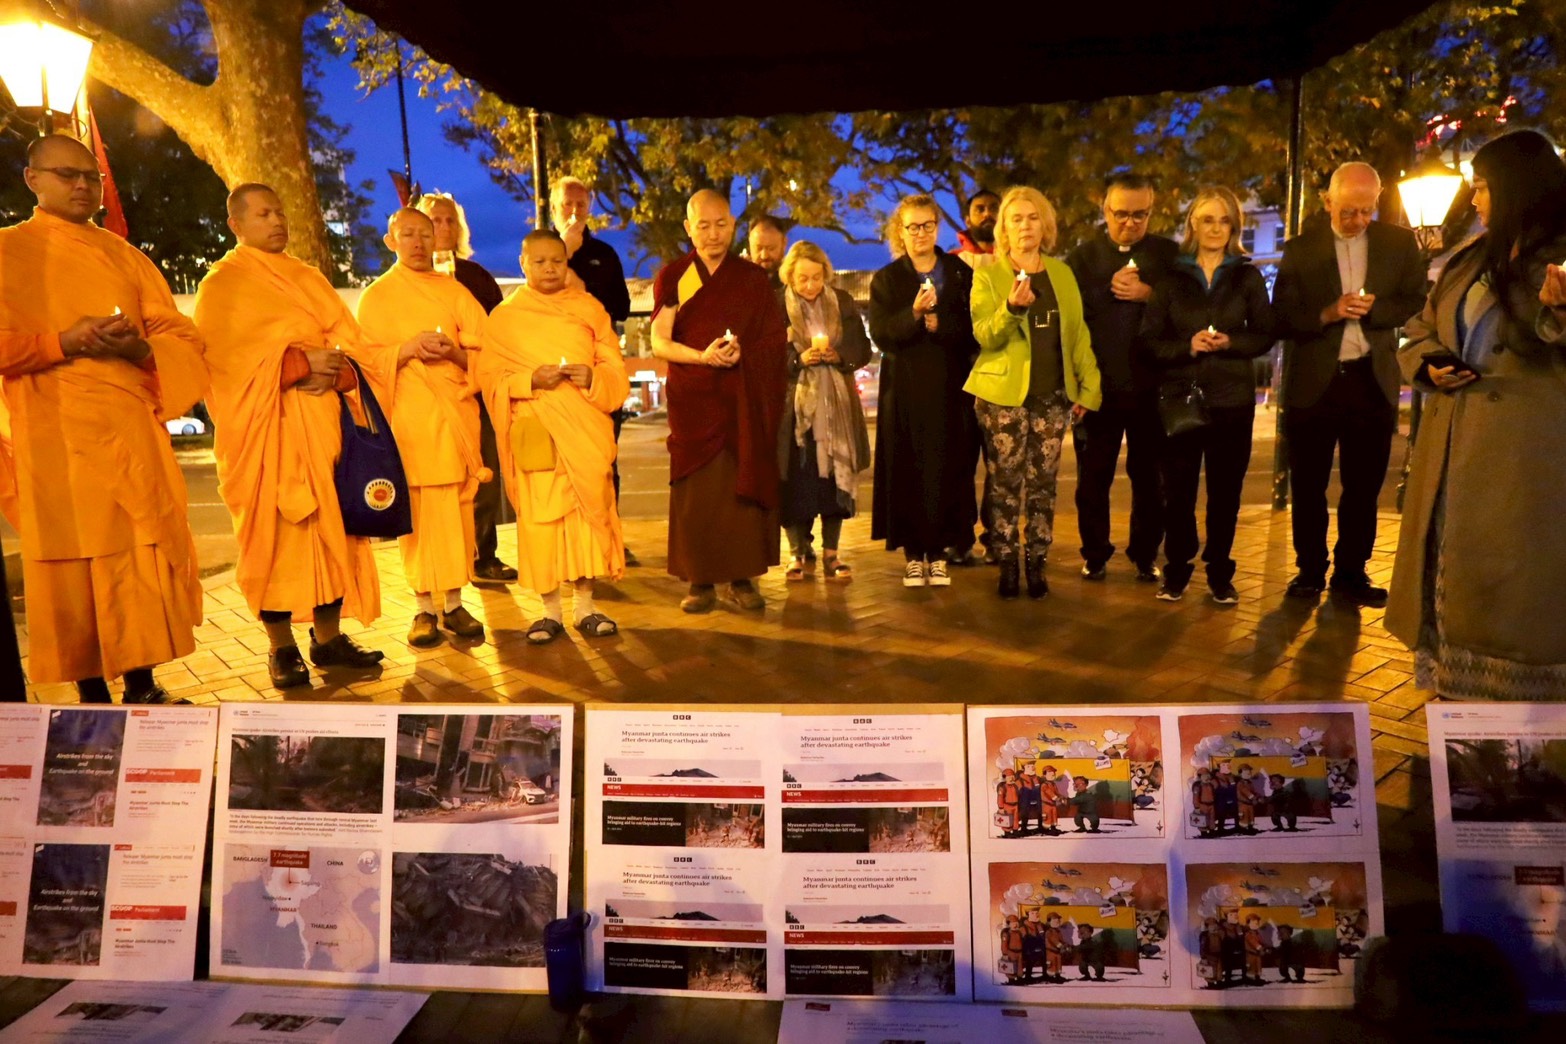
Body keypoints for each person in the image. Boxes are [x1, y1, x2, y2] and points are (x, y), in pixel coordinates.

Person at [0, 134, 205, 704]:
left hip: (127, 427)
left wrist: (138, 349)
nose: (83, 186)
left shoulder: (124, 255)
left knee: (140, 549)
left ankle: (142, 684)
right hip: (54, 437)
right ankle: (90, 691)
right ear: (32, 179)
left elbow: (176, 332)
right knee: (73, 560)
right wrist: (62, 340)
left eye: (91, 177)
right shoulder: (7, 251)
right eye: (67, 175)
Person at [1388, 130, 1566, 701]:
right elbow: (1418, 329)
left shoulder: (1560, 258)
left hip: (1526, 460)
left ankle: (1528, 726)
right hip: (1453, 452)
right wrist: (1430, 363)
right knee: (1457, 584)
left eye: (1485, 188)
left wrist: (1560, 314)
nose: (1478, 200)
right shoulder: (1469, 259)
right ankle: (1462, 717)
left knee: (1520, 597)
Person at [193, 183, 385, 689]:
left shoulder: (308, 278)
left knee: (333, 533)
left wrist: (341, 371)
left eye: (280, 211)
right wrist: (296, 364)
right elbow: (222, 369)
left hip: (324, 429)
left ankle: (328, 639)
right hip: (265, 438)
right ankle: (281, 649)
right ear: (236, 225)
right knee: (275, 544)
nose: (276, 221)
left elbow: (353, 344)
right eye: (262, 214)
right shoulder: (223, 285)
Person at [1274, 162, 1427, 606]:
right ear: (1328, 203)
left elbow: (1417, 300)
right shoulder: (1301, 250)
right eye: (1348, 212)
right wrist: (1328, 313)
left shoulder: (1398, 245)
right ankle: (1308, 572)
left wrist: (1376, 311)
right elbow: (1281, 315)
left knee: (1363, 485)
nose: (1359, 220)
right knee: (1308, 484)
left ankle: (1351, 573)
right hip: (1315, 383)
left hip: (1370, 379)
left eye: (1367, 210)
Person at [482, 229, 630, 642]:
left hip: (584, 429)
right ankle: (549, 612)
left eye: (558, 261)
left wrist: (594, 377)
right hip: (537, 432)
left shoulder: (589, 309)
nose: (550, 269)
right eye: (540, 262)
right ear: (523, 264)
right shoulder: (506, 317)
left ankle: (585, 605)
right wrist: (530, 379)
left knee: (588, 515)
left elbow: (616, 370)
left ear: (568, 264)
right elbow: (489, 377)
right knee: (542, 520)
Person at [354, 208, 489, 648]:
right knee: (417, 512)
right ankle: (422, 608)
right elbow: (365, 364)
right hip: (407, 422)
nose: (417, 242)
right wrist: (408, 349)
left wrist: (452, 353)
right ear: (391, 240)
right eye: (407, 234)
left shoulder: (457, 294)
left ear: (437, 241)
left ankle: (453, 602)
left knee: (455, 511)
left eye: (425, 235)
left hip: (453, 418)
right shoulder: (376, 297)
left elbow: (490, 357)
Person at [650, 189, 788, 612]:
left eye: (721, 224)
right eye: (703, 226)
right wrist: (702, 357)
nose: (713, 234)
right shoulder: (676, 276)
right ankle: (700, 581)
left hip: (742, 399)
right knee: (697, 493)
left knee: (741, 484)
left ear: (733, 226)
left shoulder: (750, 278)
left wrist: (745, 353)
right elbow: (659, 342)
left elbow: (773, 339)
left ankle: (742, 579)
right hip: (694, 399)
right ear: (689, 228)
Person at [1141, 186, 1275, 603]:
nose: (1215, 228)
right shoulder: (1170, 280)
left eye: (1223, 220)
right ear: (1192, 226)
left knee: (1225, 493)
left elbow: (1265, 335)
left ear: (1233, 226)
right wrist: (1189, 346)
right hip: (1182, 398)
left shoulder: (1246, 276)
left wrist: (1230, 342)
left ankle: (1220, 571)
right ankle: (1177, 570)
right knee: (1177, 491)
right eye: (1206, 220)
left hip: (1232, 400)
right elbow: (1148, 342)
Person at [968, 186, 1101, 598]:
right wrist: (1010, 308)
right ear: (1003, 228)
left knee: (1044, 485)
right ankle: (1007, 563)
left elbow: (1077, 335)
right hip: (1002, 397)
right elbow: (985, 335)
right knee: (1005, 482)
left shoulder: (1061, 273)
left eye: (1032, 217)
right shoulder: (989, 274)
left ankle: (1036, 563)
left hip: (1052, 396)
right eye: (1016, 219)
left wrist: (1087, 389)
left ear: (1045, 224)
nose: (1025, 226)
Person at [1066, 173, 1178, 582]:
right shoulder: (1083, 258)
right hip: (1100, 388)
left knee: (1151, 481)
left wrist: (1151, 295)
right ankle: (1095, 553)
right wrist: (1105, 293)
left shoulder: (1168, 256)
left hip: (1153, 388)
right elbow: (1071, 319)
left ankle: (1145, 552)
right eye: (1121, 214)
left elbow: (1185, 308)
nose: (1130, 224)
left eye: (1140, 215)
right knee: (1093, 479)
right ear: (1105, 210)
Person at [869, 194, 981, 587]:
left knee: (949, 466)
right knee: (908, 468)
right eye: (912, 227)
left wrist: (941, 326)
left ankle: (940, 552)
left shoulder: (959, 272)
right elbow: (882, 333)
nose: (920, 234)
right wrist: (914, 315)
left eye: (927, 226)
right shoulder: (888, 278)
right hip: (905, 390)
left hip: (951, 388)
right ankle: (914, 553)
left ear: (937, 228)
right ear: (900, 231)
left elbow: (972, 329)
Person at [416, 192, 517, 585]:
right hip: (428, 398)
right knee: (439, 483)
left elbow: (497, 335)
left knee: (484, 479)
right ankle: (443, 564)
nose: (442, 228)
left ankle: (483, 555)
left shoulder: (476, 278)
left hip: (477, 393)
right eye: (434, 221)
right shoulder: (405, 284)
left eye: (449, 221)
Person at [776, 241, 871, 582]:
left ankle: (832, 553)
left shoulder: (842, 302)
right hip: (795, 412)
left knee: (833, 482)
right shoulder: (778, 305)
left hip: (837, 412)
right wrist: (796, 360)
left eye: (817, 278)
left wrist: (838, 355)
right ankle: (797, 553)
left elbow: (862, 348)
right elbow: (767, 353)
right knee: (796, 482)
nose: (811, 286)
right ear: (790, 277)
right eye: (803, 279)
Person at [554, 178, 637, 566]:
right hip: (555, 374)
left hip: (598, 369)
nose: (573, 210)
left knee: (606, 457)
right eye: (566, 203)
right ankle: (567, 543)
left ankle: (609, 537)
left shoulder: (604, 252)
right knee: (557, 462)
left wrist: (581, 284)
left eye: (580, 204)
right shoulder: (544, 250)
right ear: (553, 206)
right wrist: (563, 255)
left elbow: (620, 307)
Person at [951, 189, 1000, 268]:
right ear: (968, 222)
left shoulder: (1018, 256)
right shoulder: (952, 261)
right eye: (980, 210)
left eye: (994, 209)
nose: (987, 214)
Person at [747, 215, 788, 290]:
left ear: (784, 244)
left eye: (771, 248)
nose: (764, 256)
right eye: (758, 248)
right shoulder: (736, 281)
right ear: (749, 244)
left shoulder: (793, 283)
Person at [1016, 764, 1043, 835]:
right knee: (1024, 809)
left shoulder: (1038, 779)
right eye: (1028, 766)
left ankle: (1041, 827)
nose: (1032, 768)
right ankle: (1024, 828)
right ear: (1024, 769)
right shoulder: (1020, 780)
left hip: (1038, 801)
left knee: (1041, 808)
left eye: (1033, 765)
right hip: (1024, 802)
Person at [996, 767, 1021, 837]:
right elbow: (1000, 798)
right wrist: (1001, 807)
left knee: (1016, 819)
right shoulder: (1003, 787)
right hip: (1007, 806)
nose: (1011, 778)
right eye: (1009, 777)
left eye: (1013, 776)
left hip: (1015, 806)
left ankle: (1015, 831)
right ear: (1005, 778)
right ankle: (1007, 833)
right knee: (1007, 819)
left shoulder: (1015, 786)